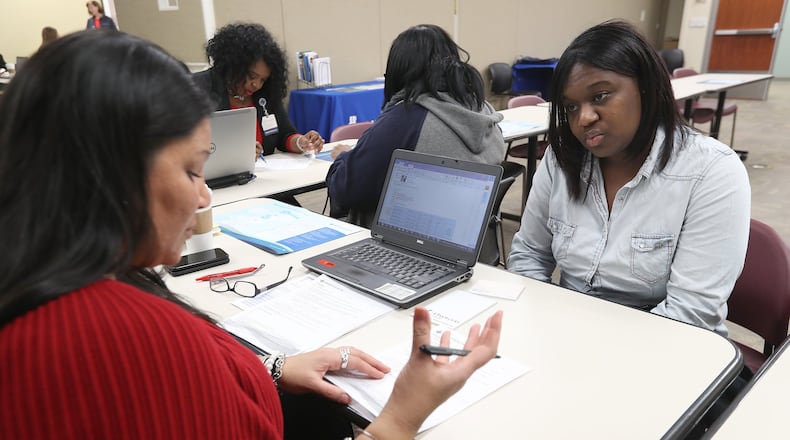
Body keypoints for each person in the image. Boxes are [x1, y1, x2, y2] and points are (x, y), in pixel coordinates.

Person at [0, 30, 503, 439]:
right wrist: (401, 417)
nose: (203, 199)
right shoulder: (131, 347)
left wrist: (274, 367)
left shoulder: (49, 284)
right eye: (193, 171)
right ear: (112, 172)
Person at [507, 20, 751, 337]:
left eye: (601, 96)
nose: (584, 118)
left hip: (668, 349)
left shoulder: (711, 171)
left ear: (646, 88)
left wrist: (586, 349)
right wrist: (543, 329)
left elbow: (690, 313)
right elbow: (528, 255)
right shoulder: (562, 159)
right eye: (571, 106)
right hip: (566, 334)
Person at [325, 24, 506, 226]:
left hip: (407, 244)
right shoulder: (483, 109)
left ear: (398, 70)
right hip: (474, 244)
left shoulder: (406, 118)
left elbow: (346, 189)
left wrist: (342, 157)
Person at [193, 22, 323, 158]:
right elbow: (184, 147)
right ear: (233, 65)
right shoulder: (197, 89)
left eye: (263, 80)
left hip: (264, 175)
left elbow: (284, 135)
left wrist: (301, 142)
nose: (256, 85)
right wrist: (235, 153)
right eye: (251, 76)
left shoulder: (265, 93)